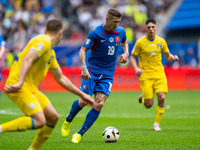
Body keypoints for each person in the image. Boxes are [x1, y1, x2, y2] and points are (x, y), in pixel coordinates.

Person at [0, 19, 96, 150]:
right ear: (61, 33)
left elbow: (61, 78)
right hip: (19, 85)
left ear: (46, 30)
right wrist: (20, 82)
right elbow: (28, 58)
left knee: (53, 117)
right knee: (40, 120)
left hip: (30, 88)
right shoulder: (44, 41)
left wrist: (83, 95)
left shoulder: (50, 53)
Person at [61, 8, 129, 143]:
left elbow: (124, 41)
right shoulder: (96, 33)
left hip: (108, 74)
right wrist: (84, 69)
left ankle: (79, 134)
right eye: (114, 21)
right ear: (107, 19)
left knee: (99, 104)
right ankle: (68, 120)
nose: (116, 24)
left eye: (118, 22)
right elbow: (82, 50)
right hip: (92, 72)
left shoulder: (120, 31)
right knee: (83, 101)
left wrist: (126, 52)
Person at [130, 18, 179, 131]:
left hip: (159, 74)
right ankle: (143, 96)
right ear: (145, 29)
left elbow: (168, 56)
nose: (151, 29)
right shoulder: (140, 42)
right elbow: (132, 57)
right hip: (146, 75)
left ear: (156, 28)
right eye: (148, 27)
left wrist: (173, 58)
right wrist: (136, 68)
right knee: (149, 105)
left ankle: (156, 124)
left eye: (153, 27)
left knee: (162, 97)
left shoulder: (161, 41)